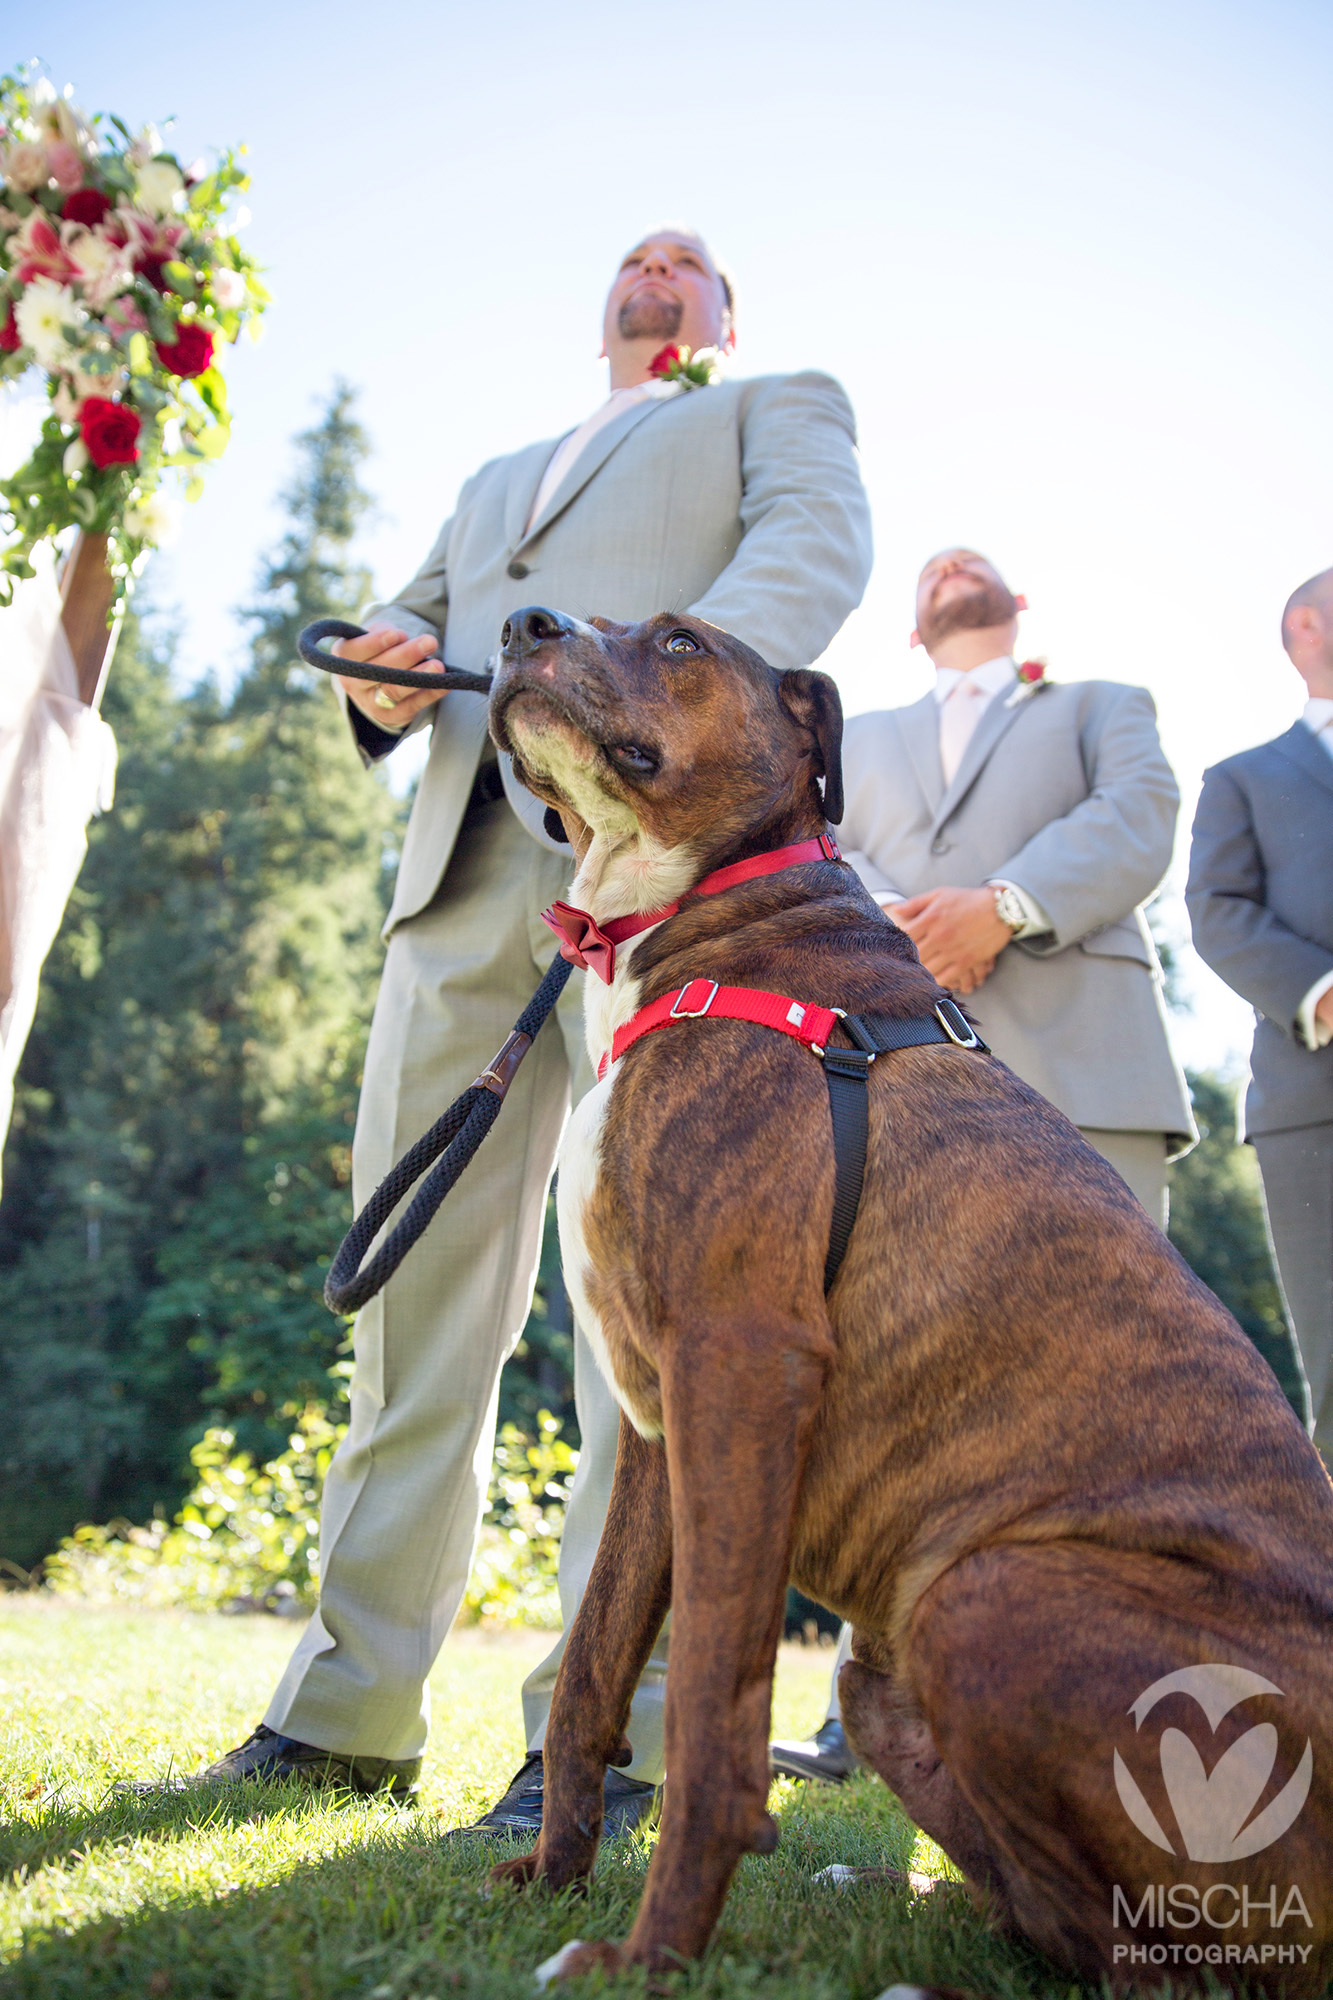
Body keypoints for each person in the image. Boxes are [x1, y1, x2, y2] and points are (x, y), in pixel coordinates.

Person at [187, 228, 873, 1833]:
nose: (655, 269)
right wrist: (379, 672)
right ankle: (348, 1705)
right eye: (634, 256)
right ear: (605, 307)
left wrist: (649, 734)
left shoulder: (772, 405)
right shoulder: (498, 473)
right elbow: (402, 626)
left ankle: (610, 1732)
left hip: (662, 875)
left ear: (721, 313)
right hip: (464, 887)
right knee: (416, 1302)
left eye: (688, 260)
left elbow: (811, 560)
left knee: (654, 1317)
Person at [770, 544, 1193, 1784]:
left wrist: (999, 905)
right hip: (901, 1081)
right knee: (897, 1383)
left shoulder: (1101, 707)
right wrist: (898, 930)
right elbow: (813, 845)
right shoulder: (866, 728)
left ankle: (1117, 1704)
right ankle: (876, 1711)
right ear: (908, 629)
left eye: (977, 559)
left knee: (1111, 1387)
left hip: (1089, 1070)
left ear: (1019, 606)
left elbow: (1136, 820)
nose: (951, 562)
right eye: (932, 564)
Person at [1187, 565, 1333, 1466]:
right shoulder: (1241, 778)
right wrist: (1321, 992)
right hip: (1313, 1105)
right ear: (1306, 627)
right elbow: (1218, 910)